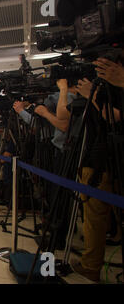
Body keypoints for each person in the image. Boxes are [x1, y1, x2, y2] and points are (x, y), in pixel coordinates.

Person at [70, 56, 123, 282]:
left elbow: (112, 117)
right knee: (94, 215)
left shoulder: (111, 86)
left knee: (95, 216)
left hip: (105, 157)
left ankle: (91, 265)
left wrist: (93, 95)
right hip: (98, 153)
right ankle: (91, 264)